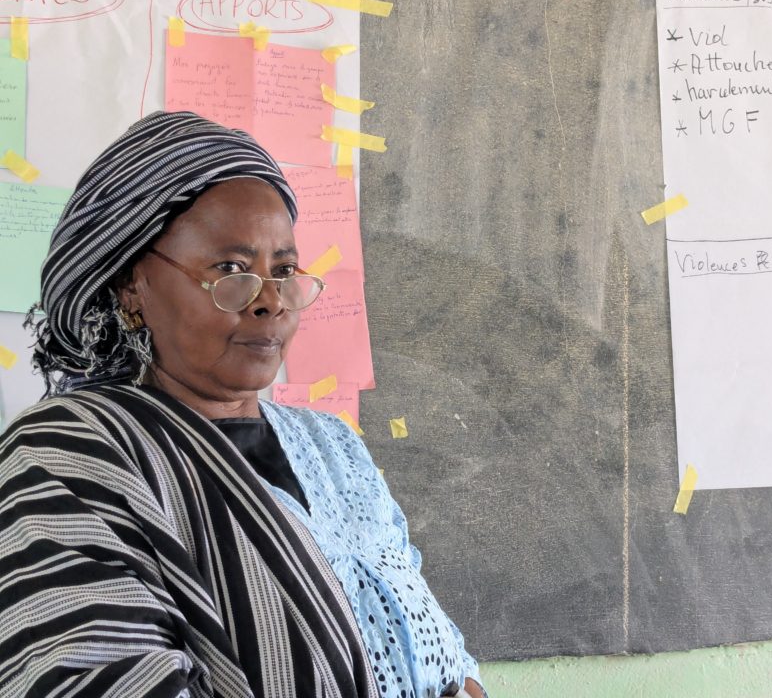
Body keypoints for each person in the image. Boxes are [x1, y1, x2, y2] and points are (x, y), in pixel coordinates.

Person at [0, 111, 485, 698]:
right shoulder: (71, 453)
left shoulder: (334, 446)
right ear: (133, 287)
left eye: (283, 270)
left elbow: (440, 652)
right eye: (231, 270)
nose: (271, 302)